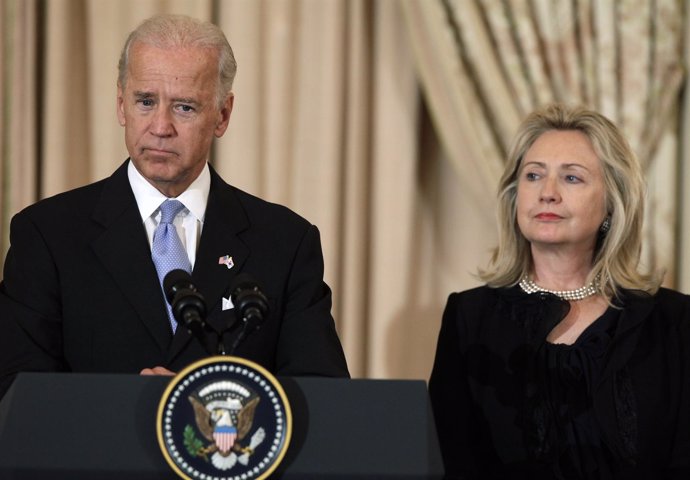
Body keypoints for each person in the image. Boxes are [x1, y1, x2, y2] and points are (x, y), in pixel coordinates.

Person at [0, 14, 349, 400]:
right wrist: (130, 409)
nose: (161, 126)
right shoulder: (47, 236)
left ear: (222, 115)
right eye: (146, 102)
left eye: (184, 107)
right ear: (121, 105)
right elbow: (16, 393)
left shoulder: (285, 242)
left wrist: (210, 406)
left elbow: (322, 398)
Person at [429, 103, 690, 479]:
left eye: (572, 178)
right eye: (533, 175)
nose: (547, 193)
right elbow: (449, 461)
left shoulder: (673, 321)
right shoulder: (469, 316)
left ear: (612, 204)